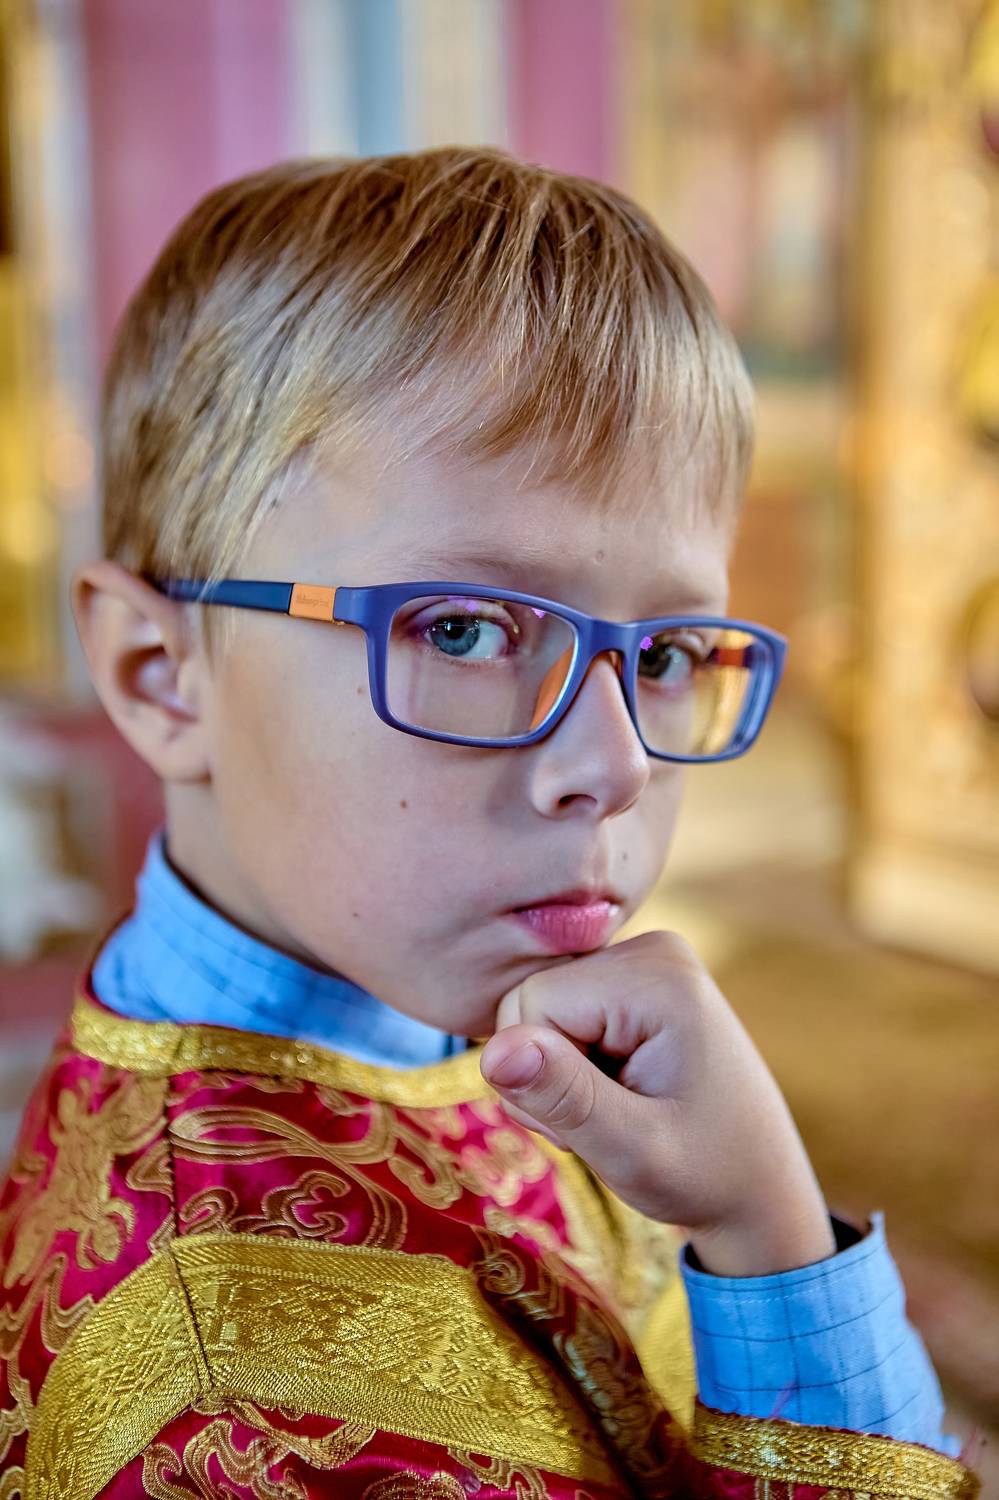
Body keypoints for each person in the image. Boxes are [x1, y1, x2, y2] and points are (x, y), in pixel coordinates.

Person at [0, 148, 982, 1499]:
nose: (616, 764)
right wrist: (772, 1243)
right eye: (464, 629)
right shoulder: (237, 1416)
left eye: (663, 653)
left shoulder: (422, 975)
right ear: (159, 673)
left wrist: (759, 1216)